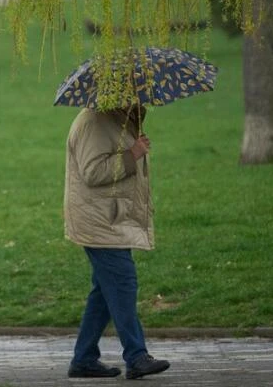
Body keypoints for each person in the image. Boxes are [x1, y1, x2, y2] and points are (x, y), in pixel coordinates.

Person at [63, 103, 170, 380]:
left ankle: (84, 359)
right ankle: (136, 357)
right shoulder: (95, 122)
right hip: (100, 221)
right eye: (135, 88)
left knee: (104, 291)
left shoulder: (117, 118)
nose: (141, 95)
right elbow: (93, 172)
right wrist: (132, 154)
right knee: (122, 283)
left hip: (111, 217)